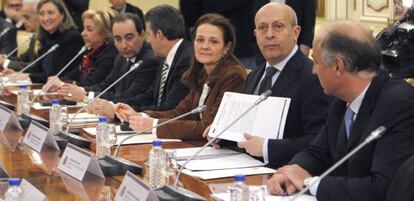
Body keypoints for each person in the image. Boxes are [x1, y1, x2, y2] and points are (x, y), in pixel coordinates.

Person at [267, 20, 414, 201]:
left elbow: (382, 188)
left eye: (317, 62)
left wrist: (310, 182)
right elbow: (317, 152)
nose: (313, 70)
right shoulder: (340, 100)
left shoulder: (399, 105)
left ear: (338, 65)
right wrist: (290, 173)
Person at [114, 13, 247, 140]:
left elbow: (208, 127)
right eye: (200, 40)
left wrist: (154, 125)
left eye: (213, 41)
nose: (205, 46)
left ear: (227, 47)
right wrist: (139, 116)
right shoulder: (201, 72)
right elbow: (180, 112)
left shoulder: (233, 75)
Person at [235, 2, 329, 168]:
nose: (269, 34)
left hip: (287, 175)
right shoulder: (254, 76)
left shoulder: (312, 76)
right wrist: (223, 135)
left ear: (296, 32)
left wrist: (267, 148)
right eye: (262, 28)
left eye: (278, 26)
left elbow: (318, 140)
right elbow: (251, 131)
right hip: (248, 170)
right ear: (255, 35)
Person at [89, 5, 192, 118]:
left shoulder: (186, 59)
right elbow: (149, 96)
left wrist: (120, 114)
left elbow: (170, 109)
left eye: (148, 34)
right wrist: (117, 107)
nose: (148, 41)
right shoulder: (167, 58)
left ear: (159, 35)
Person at [56, 13, 159, 113]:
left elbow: (129, 96)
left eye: (129, 38)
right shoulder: (120, 57)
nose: (124, 45)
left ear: (142, 35)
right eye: (118, 39)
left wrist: (85, 96)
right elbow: (106, 85)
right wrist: (80, 90)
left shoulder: (149, 60)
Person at [5, 0, 84, 83]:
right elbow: (38, 67)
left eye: (50, 13)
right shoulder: (46, 38)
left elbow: (59, 74)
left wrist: (28, 76)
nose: (46, 18)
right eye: (41, 14)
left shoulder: (73, 38)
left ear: (62, 15)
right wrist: (17, 74)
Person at [43, 8, 117, 90]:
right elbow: (74, 74)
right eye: (84, 28)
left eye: (89, 29)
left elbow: (91, 85)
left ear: (105, 33)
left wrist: (62, 84)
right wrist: (57, 81)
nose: (83, 33)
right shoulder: (90, 52)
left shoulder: (109, 56)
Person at [0, 0, 39, 71]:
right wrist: (4, 57)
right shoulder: (34, 38)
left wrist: (5, 62)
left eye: (27, 17)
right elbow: (22, 60)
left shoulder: (51, 40)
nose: (23, 21)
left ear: (39, 16)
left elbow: (37, 68)